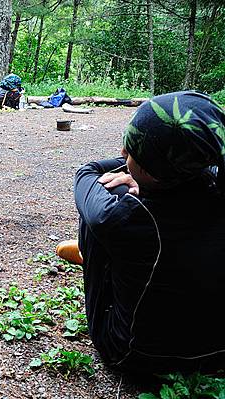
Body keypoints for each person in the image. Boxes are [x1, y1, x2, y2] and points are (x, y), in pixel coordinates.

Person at [69, 91, 225, 374]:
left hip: (137, 356)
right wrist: (149, 178)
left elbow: (87, 173)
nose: (122, 153)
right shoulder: (213, 173)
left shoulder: (122, 218)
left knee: (110, 190)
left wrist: (135, 182)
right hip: (218, 354)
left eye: (131, 149)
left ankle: (90, 255)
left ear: (156, 173)